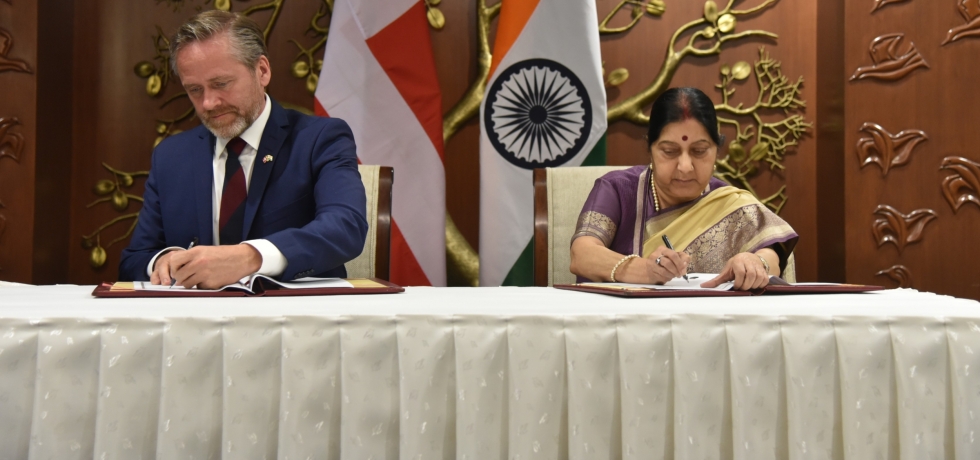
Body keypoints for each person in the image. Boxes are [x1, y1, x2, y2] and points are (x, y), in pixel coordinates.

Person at [119, 11, 367, 288]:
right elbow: (135, 258)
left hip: (295, 320)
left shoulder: (319, 139)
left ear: (262, 71)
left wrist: (251, 257)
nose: (208, 103)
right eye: (194, 90)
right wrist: (163, 261)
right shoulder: (171, 156)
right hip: (194, 322)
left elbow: (346, 228)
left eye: (221, 84)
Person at [569, 87, 798, 290]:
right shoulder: (618, 189)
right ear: (651, 149)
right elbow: (582, 254)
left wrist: (757, 263)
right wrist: (645, 270)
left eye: (699, 151)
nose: (685, 167)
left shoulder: (728, 203)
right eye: (670, 151)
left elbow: (773, 252)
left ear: (717, 150)